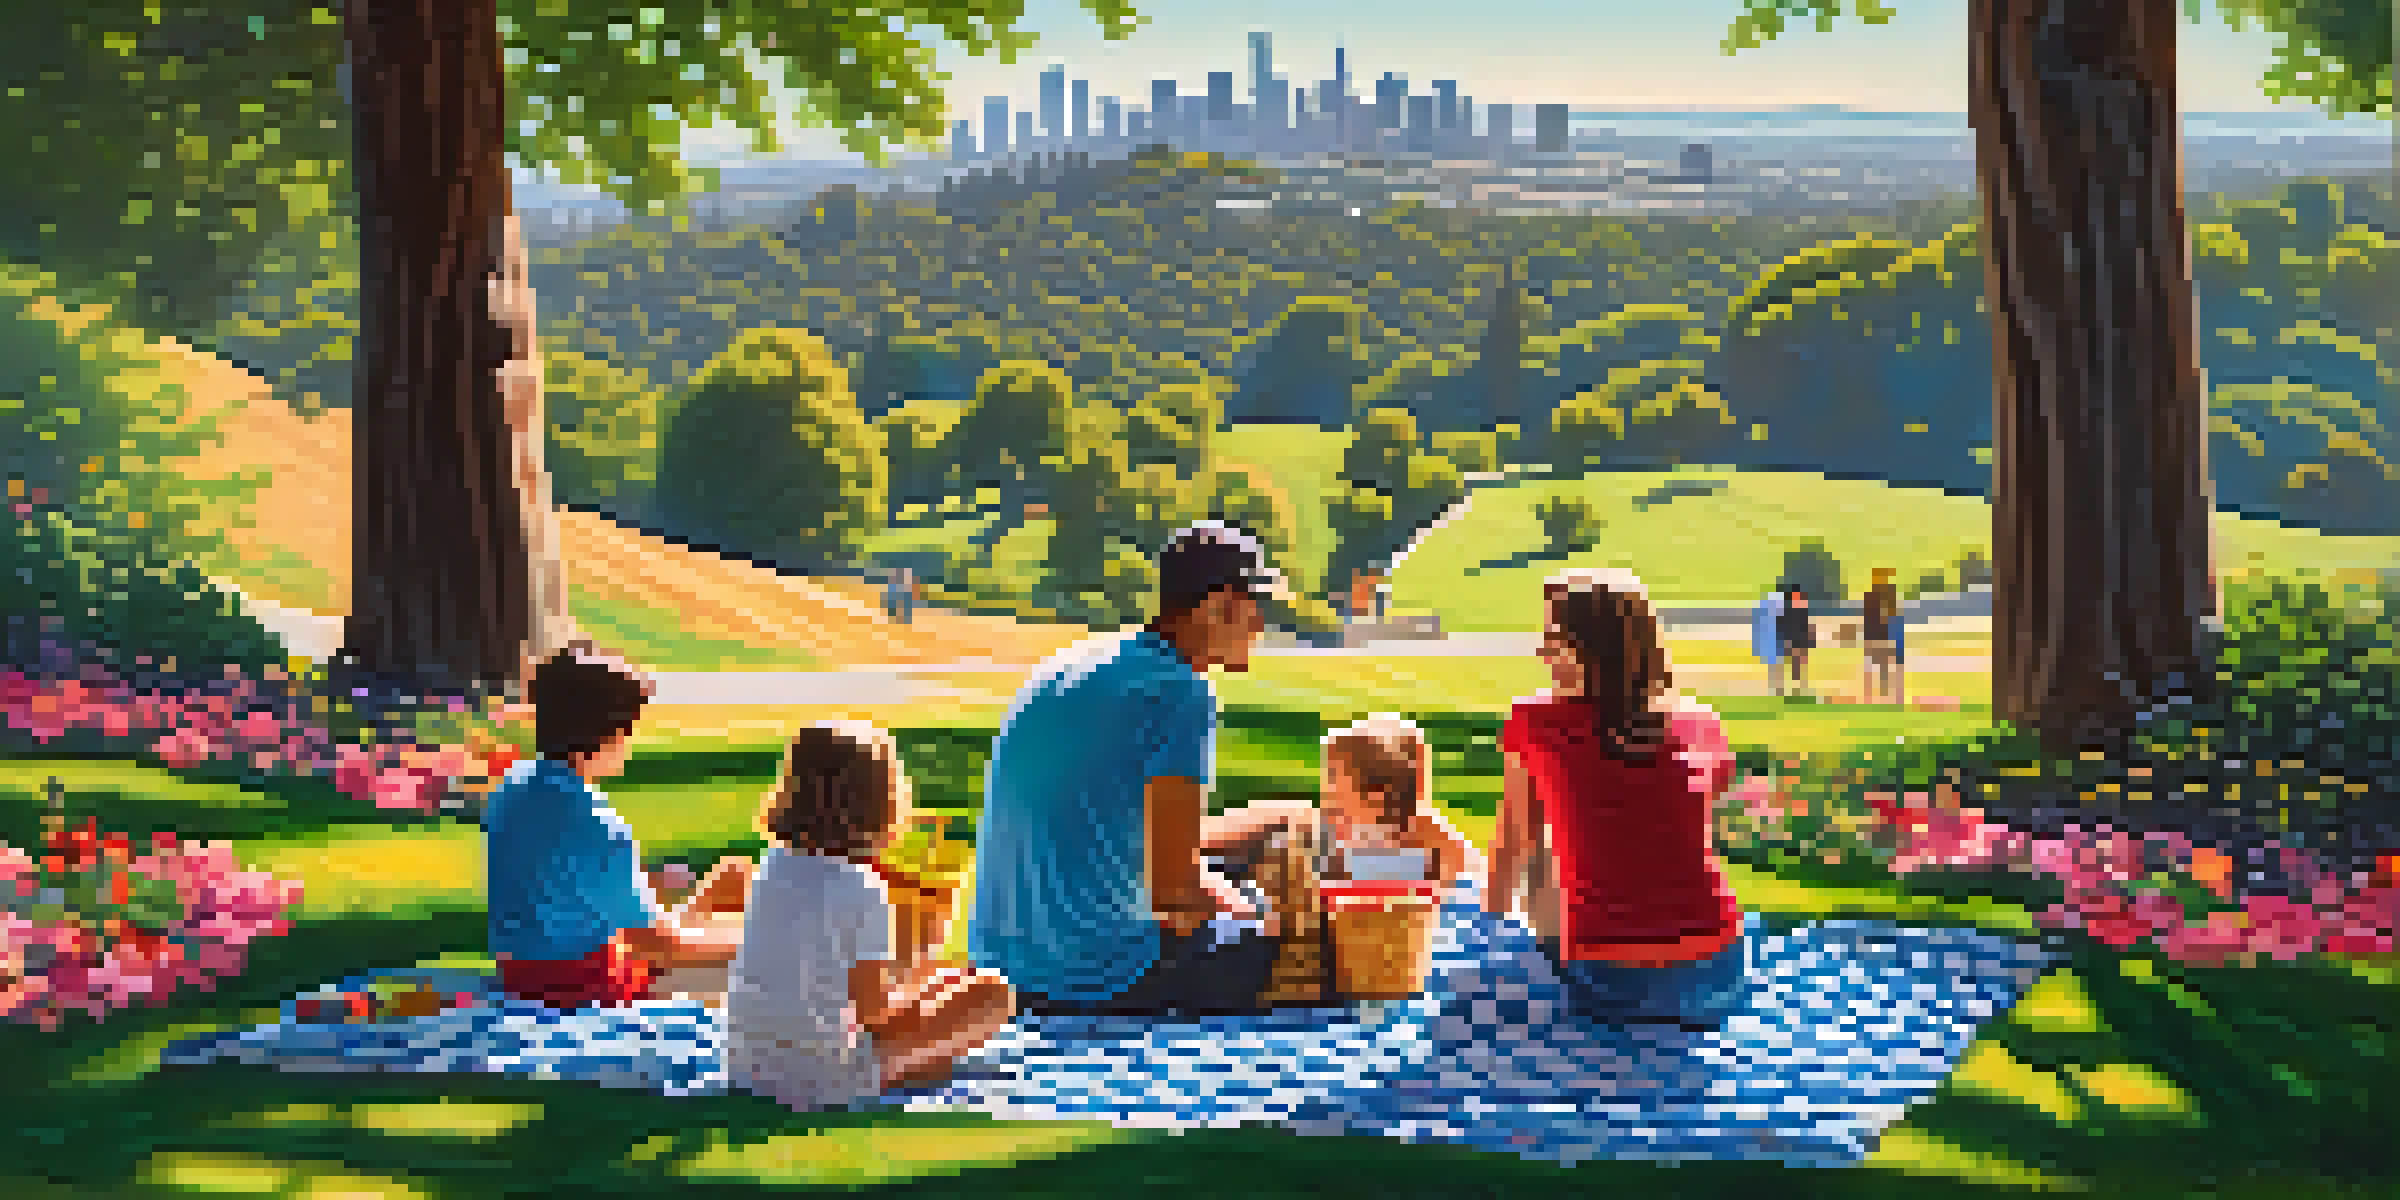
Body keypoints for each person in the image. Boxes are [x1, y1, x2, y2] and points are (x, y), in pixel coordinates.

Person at [969, 521, 1293, 1017]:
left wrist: (1267, 817)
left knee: (1239, 871)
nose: (1261, 625)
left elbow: (1114, 832)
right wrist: (1250, 912)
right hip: (1096, 977)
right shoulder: (1180, 692)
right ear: (1216, 608)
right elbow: (1174, 889)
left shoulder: (1074, 665)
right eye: (1256, 608)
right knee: (1269, 922)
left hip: (1003, 971)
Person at [1487, 570, 1757, 1032]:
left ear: (1594, 648)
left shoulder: (1535, 721)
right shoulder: (1701, 722)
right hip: (1720, 971)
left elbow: (1516, 845)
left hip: (1615, 980)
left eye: (1555, 639)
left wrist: (1485, 941)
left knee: (1543, 860)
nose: (1540, 652)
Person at [725, 722, 1015, 1106]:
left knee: (947, 982)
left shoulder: (775, 863)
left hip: (747, 1062)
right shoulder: (859, 888)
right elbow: (874, 1013)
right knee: (990, 994)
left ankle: (926, 1053)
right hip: (822, 1075)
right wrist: (920, 1001)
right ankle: (923, 1064)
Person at [484, 645, 753, 1010]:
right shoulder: (594, 822)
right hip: (581, 989)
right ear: (607, 734)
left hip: (521, 972)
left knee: (733, 875)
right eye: (629, 730)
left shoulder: (513, 787)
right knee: (765, 957)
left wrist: (647, 880)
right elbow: (656, 946)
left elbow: (553, 880)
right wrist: (757, 941)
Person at [1860, 567, 1906, 706]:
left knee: (1879, 668)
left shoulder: (1884, 597)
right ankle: (1882, 696)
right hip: (1878, 637)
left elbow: (1893, 619)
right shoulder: (1883, 597)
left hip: (1880, 637)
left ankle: (1881, 696)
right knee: (1879, 668)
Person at [1776, 585, 1816, 696]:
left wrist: (1810, 642)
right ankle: (1782, 687)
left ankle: (1799, 687)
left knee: (1799, 666)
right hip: (1789, 641)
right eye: (1797, 596)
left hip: (1800, 642)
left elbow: (1807, 628)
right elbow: (1781, 627)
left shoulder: (1803, 612)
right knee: (1783, 665)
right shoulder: (1785, 612)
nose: (1800, 599)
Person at [1751, 587, 1786, 697]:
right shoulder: (1773, 605)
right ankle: (1777, 689)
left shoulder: (1767, 604)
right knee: (1775, 663)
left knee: (1775, 664)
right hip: (1772, 638)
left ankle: (1777, 688)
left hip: (1773, 637)